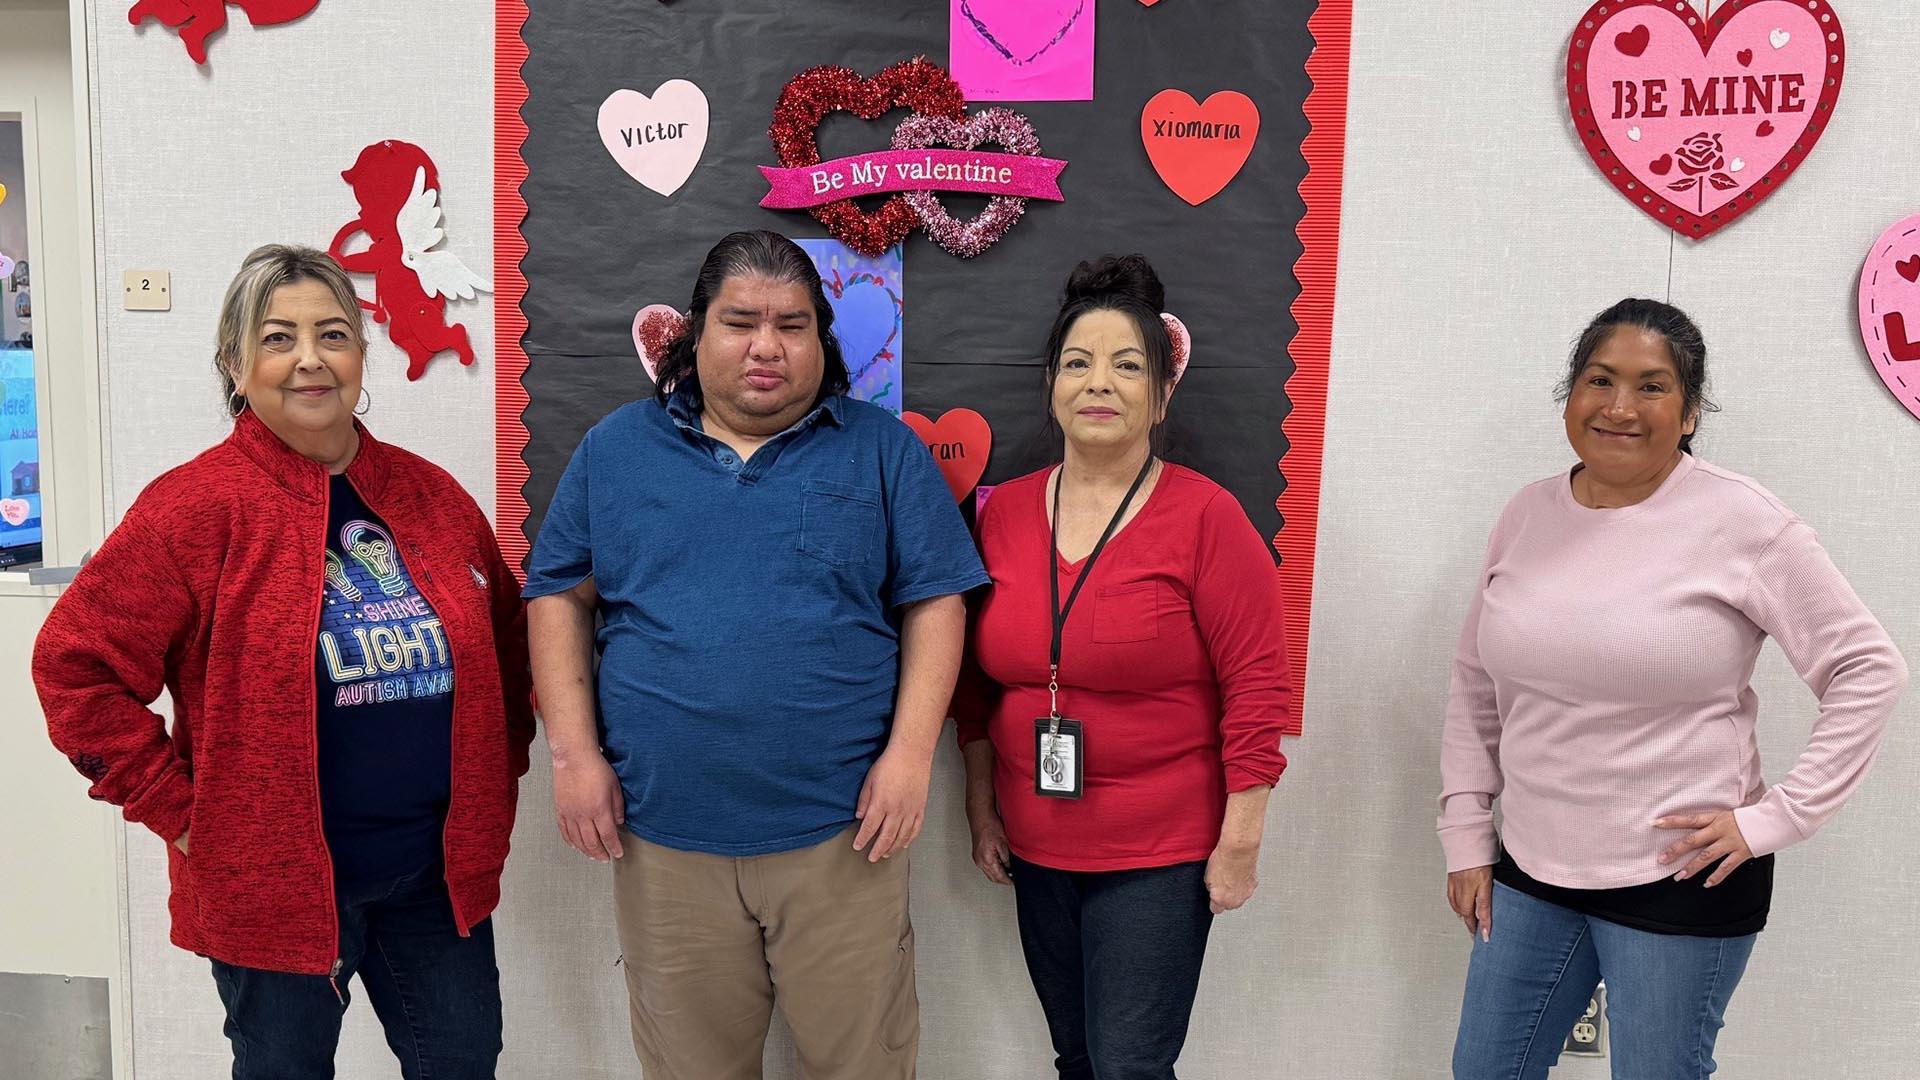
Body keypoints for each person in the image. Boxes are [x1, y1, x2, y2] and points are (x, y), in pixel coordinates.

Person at [34, 244, 534, 1080]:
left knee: (463, 1062)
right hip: (273, 887)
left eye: (333, 334)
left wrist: (497, 768)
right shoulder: (193, 510)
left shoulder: (433, 497)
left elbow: (509, 648)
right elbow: (74, 669)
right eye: (277, 338)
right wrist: (186, 813)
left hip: (433, 879)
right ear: (235, 362)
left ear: (361, 354)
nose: (310, 358)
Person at [523, 229, 987, 1079]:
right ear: (695, 336)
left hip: (845, 837)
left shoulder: (881, 451)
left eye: (793, 324)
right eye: (740, 321)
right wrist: (572, 756)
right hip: (664, 843)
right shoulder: (615, 451)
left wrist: (912, 757)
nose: (766, 345)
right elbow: (557, 595)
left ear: (822, 341)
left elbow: (937, 601)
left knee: (864, 1068)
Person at [1440, 298, 1908, 1079]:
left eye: (1652, 387)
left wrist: (1778, 818)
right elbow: (1475, 682)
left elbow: (1868, 668)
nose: (1620, 407)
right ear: (1571, 396)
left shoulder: (1743, 521)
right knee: (1486, 1070)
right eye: (1600, 380)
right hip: (1528, 863)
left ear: (1689, 413)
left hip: (1681, 875)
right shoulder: (1527, 513)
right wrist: (1465, 832)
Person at [954, 254, 1294, 1080]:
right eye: (1077, 363)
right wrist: (980, 806)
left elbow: (1259, 685)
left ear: (1163, 393)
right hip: (1036, 843)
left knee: (1130, 1065)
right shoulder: (997, 513)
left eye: (1127, 365)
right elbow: (971, 683)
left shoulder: (1207, 517)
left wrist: (1241, 839)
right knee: (1076, 1057)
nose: (1098, 383)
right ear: (1050, 385)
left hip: (1161, 852)